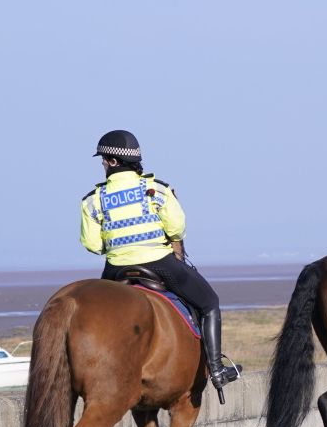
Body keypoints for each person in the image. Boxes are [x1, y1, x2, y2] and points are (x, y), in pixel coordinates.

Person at [80, 129, 242, 395]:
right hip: (159, 264)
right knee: (210, 303)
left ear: (111, 162)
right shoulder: (157, 190)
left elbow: (93, 245)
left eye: (102, 161)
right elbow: (177, 229)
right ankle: (217, 370)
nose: (102, 166)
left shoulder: (92, 201)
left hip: (115, 270)